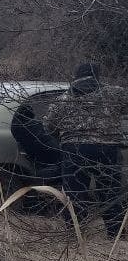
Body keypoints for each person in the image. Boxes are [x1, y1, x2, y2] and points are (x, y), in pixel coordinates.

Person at [42, 62, 128, 239]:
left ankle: (75, 234)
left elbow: (49, 126)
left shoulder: (63, 99)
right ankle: (116, 235)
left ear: (76, 76)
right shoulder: (115, 93)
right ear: (97, 76)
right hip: (108, 150)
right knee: (110, 192)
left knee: (75, 194)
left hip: (75, 150)